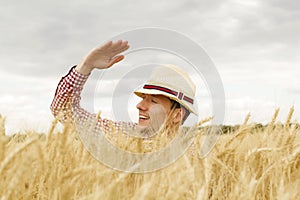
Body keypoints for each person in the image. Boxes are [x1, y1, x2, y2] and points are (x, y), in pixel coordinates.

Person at [50, 40, 197, 136]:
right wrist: (86, 66)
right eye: (143, 98)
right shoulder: (123, 135)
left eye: (153, 101)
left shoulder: (194, 157)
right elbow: (64, 112)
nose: (140, 106)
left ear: (177, 115)